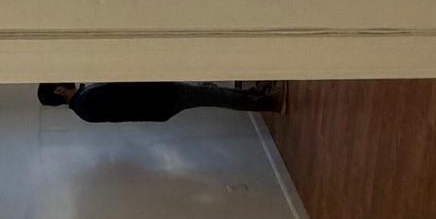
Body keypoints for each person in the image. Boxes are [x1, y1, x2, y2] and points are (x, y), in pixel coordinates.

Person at [38, 81, 280, 124]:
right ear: (59, 90)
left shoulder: (84, 105)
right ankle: (263, 103)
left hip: (159, 102)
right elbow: (125, 94)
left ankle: (254, 95)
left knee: (209, 92)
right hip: (160, 98)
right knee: (212, 95)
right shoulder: (86, 100)